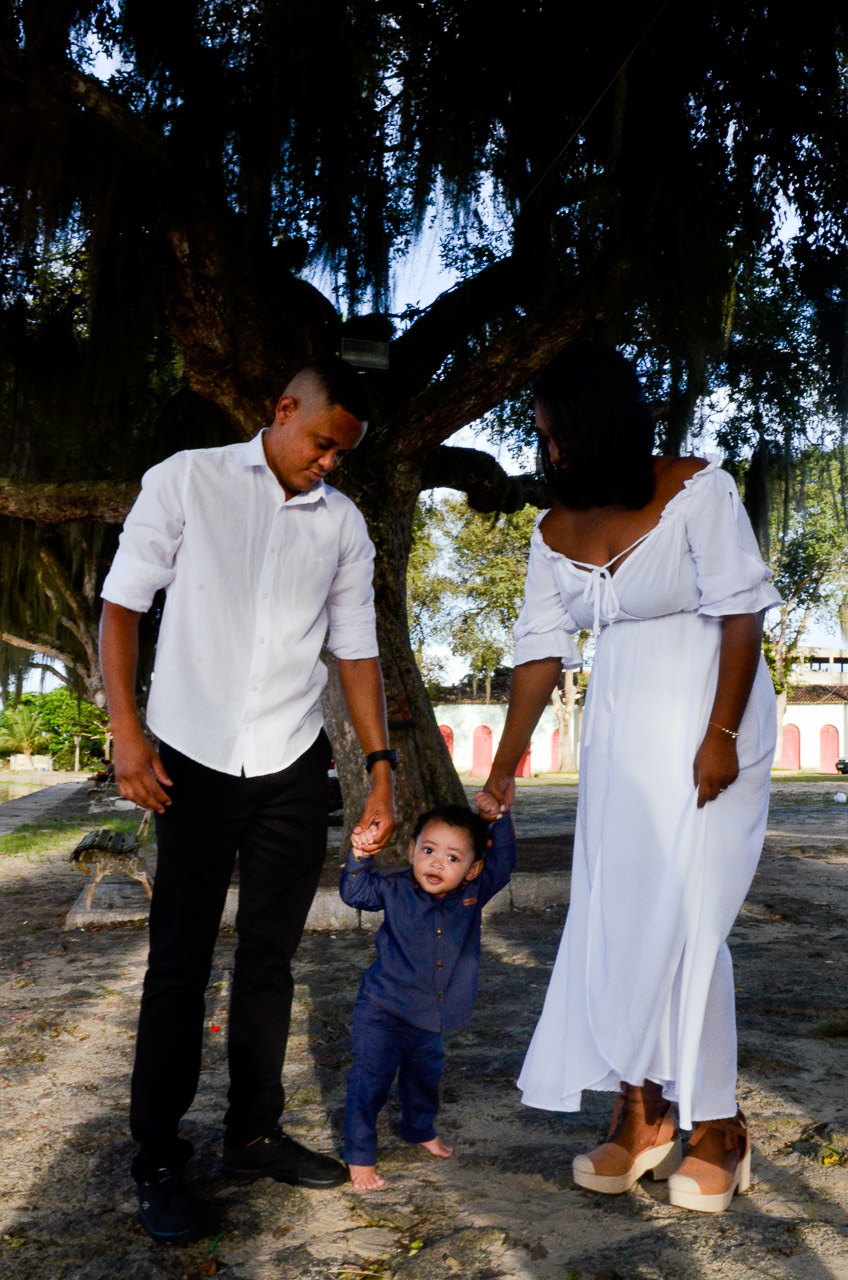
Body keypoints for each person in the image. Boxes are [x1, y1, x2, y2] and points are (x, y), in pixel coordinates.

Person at [99, 359, 398, 1242]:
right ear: (281, 412)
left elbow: (355, 653)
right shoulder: (186, 479)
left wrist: (379, 768)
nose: (329, 464)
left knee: (269, 960)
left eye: (343, 454)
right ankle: (158, 1156)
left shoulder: (343, 525)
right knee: (179, 965)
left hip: (290, 767)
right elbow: (122, 605)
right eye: (322, 444)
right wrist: (127, 731)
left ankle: (254, 1135)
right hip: (185, 760)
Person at [478, 341, 780, 1215]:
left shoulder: (698, 490)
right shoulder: (551, 528)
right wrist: (503, 769)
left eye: (561, 439)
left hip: (711, 727)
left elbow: (739, 615)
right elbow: (539, 653)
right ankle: (642, 1110)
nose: (553, 455)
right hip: (620, 744)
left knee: (692, 924)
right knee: (619, 919)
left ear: (602, 424)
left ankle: (720, 1127)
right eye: (544, 441)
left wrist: (720, 735)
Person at [339, 802, 516, 1190]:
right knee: (369, 1081)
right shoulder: (395, 887)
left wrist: (497, 819)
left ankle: (418, 1129)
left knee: (425, 1078)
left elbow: (504, 860)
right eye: (428, 850)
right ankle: (360, 1156)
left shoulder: (473, 893)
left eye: (453, 858)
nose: (436, 863)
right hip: (383, 1009)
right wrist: (359, 856)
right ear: (412, 851)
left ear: (472, 870)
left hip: (431, 1014)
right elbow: (355, 892)